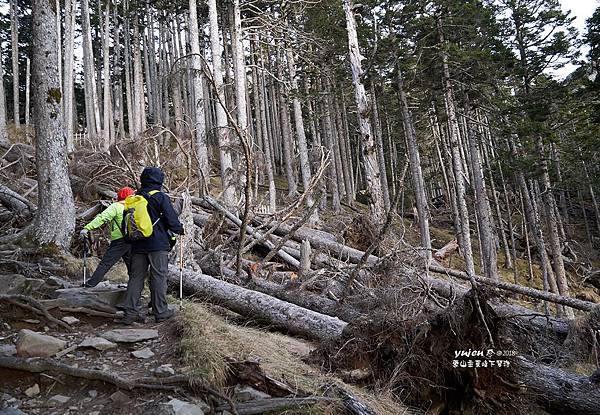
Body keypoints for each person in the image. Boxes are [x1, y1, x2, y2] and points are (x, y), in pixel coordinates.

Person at [120, 167, 183, 324]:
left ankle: (130, 313)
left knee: (135, 278)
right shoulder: (160, 197)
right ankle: (160, 311)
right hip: (157, 244)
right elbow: (172, 220)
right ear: (159, 181)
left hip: (137, 244)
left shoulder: (135, 198)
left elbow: (125, 223)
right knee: (158, 277)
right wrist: (179, 229)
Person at [80, 187, 135, 287]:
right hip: (133, 239)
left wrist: (88, 228)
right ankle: (135, 287)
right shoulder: (134, 207)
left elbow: (102, 218)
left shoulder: (116, 206)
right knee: (132, 266)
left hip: (120, 240)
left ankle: (91, 284)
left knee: (105, 263)